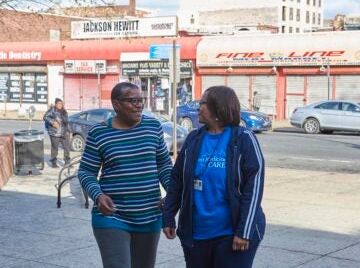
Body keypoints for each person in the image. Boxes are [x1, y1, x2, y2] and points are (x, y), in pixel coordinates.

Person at [162, 86, 265, 268]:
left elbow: (254, 187)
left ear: (219, 108)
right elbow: (177, 179)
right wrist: (169, 215)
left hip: (232, 232)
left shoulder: (244, 139)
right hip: (196, 234)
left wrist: (244, 231)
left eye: (202, 103)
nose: (198, 108)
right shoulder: (193, 139)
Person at [78, 82, 172, 268]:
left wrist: (172, 193)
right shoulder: (100, 132)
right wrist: (98, 196)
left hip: (150, 215)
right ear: (116, 104)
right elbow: (86, 171)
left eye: (141, 100)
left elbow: (164, 165)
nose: (139, 105)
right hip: (112, 217)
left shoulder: (153, 126)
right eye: (132, 100)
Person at [44, 98, 71, 168]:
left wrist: (69, 131)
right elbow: (45, 117)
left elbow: (67, 122)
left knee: (67, 147)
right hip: (55, 133)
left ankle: (67, 163)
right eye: (58, 103)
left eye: (61, 103)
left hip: (64, 132)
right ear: (55, 104)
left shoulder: (64, 111)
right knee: (55, 148)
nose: (60, 105)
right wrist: (53, 122)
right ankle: (53, 163)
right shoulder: (52, 110)